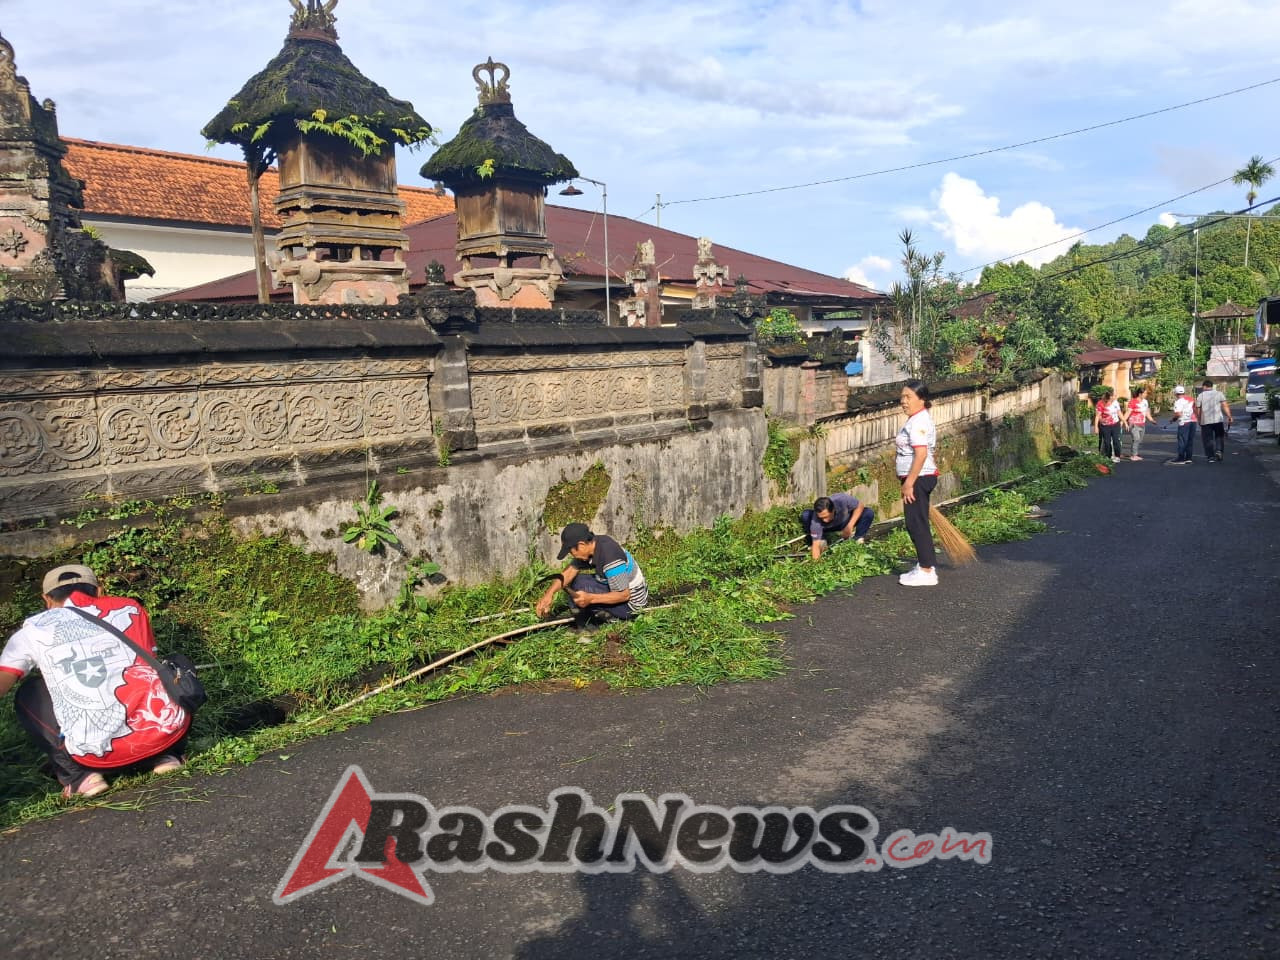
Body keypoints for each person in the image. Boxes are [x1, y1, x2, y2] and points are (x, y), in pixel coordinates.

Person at [0, 565, 192, 798]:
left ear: (47, 600)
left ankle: (80, 777)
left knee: (29, 693)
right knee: (146, 675)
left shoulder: (34, 629)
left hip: (97, 756)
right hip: (164, 735)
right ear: (100, 590)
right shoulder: (130, 608)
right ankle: (164, 757)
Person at [536, 524, 649, 627]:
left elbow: (624, 595)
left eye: (571, 552)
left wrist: (590, 599)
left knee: (581, 587)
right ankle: (592, 616)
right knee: (577, 582)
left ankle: (590, 627)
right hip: (620, 591)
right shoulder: (595, 545)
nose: (572, 556)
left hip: (631, 606)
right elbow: (570, 572)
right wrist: (549, 594)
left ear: (581, 545)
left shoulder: (610, 558)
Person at [896, 380, 940, 587]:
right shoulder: (916, 419)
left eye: (908, 397)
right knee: (917, 521)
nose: (904, 401)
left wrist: (909, 483)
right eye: (902, 397)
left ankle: (926, 570)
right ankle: (925, 565)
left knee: (916, 523)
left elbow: (921, 454)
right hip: (919, 477)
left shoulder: (919, 422)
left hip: (918, 479)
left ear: (921, 400)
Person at [801, 494, 875, 561]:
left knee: (868, 512)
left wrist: (850, 525)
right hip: (826, 528)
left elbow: (860, 506)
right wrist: (816, 563)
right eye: (821, 518)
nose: (824, 520)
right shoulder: (816, 520)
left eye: (826, 517)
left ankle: (858, 539)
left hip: (844, 522)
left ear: (833, 510)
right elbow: (815, 544)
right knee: (806, 514)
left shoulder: (842, 499)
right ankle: (822, 540)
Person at [1194, 379, 1233, 462]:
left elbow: (1198, 409)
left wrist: (1199, 419)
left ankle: (1210, 457)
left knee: (1207, 439)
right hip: (1218, 420)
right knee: (1219, 436)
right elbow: (1225, 406)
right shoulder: (1219, 394)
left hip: (1205, 421)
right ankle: (1219, 451)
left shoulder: (1201, 395)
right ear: (1211, 386)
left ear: (1204, 386)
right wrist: (1229, 416)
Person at [1167, 385, 1197, 464]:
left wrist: (1173, 419)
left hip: (1184, 422)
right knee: (1190, 440)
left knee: (1182, 440)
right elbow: (1196, 409)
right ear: (1184, 392)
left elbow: (1179, 414)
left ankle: (1180, 457)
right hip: (1193, 421)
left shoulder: (1178, 402)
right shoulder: (1191, 399)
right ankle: (1188, 458)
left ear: (1176, 393)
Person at [1093, 388, 1125, 463]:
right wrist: (1096, 427)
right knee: (1107, 442)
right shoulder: (1100, 403)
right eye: (1114, 396)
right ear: (1110, 397)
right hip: (1105, 426)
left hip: (1115, 424)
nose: (1115, 397)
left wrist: (1124, 421)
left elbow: (1119, 413)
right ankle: (1109, 456)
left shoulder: (1115, 402)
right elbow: (1097, 416)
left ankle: (1117, 455)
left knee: (1116, 440)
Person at [1125, 386, 1154, 460]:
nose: (1146, 394)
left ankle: (1135, 454)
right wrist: (1123, 421)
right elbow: (1128, 413)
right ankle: (1133, 455)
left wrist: (1151, 419)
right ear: (1140, 394)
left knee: (1139, 440)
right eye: (1145, 393)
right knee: (1136, 439)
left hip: (1142, 423)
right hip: (1133, 423)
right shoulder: (1133, 402)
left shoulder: (1145, 402)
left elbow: (1147, 412)